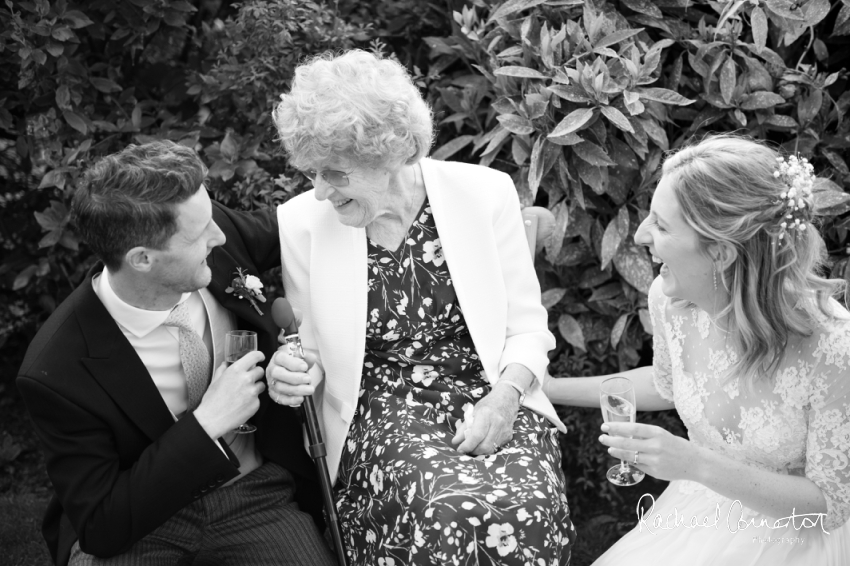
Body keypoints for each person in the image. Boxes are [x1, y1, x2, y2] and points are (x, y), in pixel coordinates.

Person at [265, 50, 575, 565]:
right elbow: (311, 351)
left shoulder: (483, 194)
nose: (319, 192)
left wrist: (506, 397)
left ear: (386, 156)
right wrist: (290, 370)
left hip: (491, 396)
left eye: (334, 174)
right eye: (311, 173)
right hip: (381, 410)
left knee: (527, 500)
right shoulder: (302, 224)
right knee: (442, 506)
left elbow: (527, 329)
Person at [17, 141, 335, 566]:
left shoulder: (210, 231)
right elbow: (102, 524)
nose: (219, 235)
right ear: (142, 258)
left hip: (254, 494)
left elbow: (300, 224)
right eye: (200, 233)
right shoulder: (55, 370)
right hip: (144, 523)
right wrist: (207, 424)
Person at [545, 134, 850, 565]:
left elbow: (829, 506)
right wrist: (548, 387)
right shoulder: (670, 297)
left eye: (662, 226)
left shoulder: (832, 346)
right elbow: (667, 382)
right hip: (699, 510)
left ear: (722, 253)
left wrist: (695, 465)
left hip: (794, 538)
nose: (641, 234)